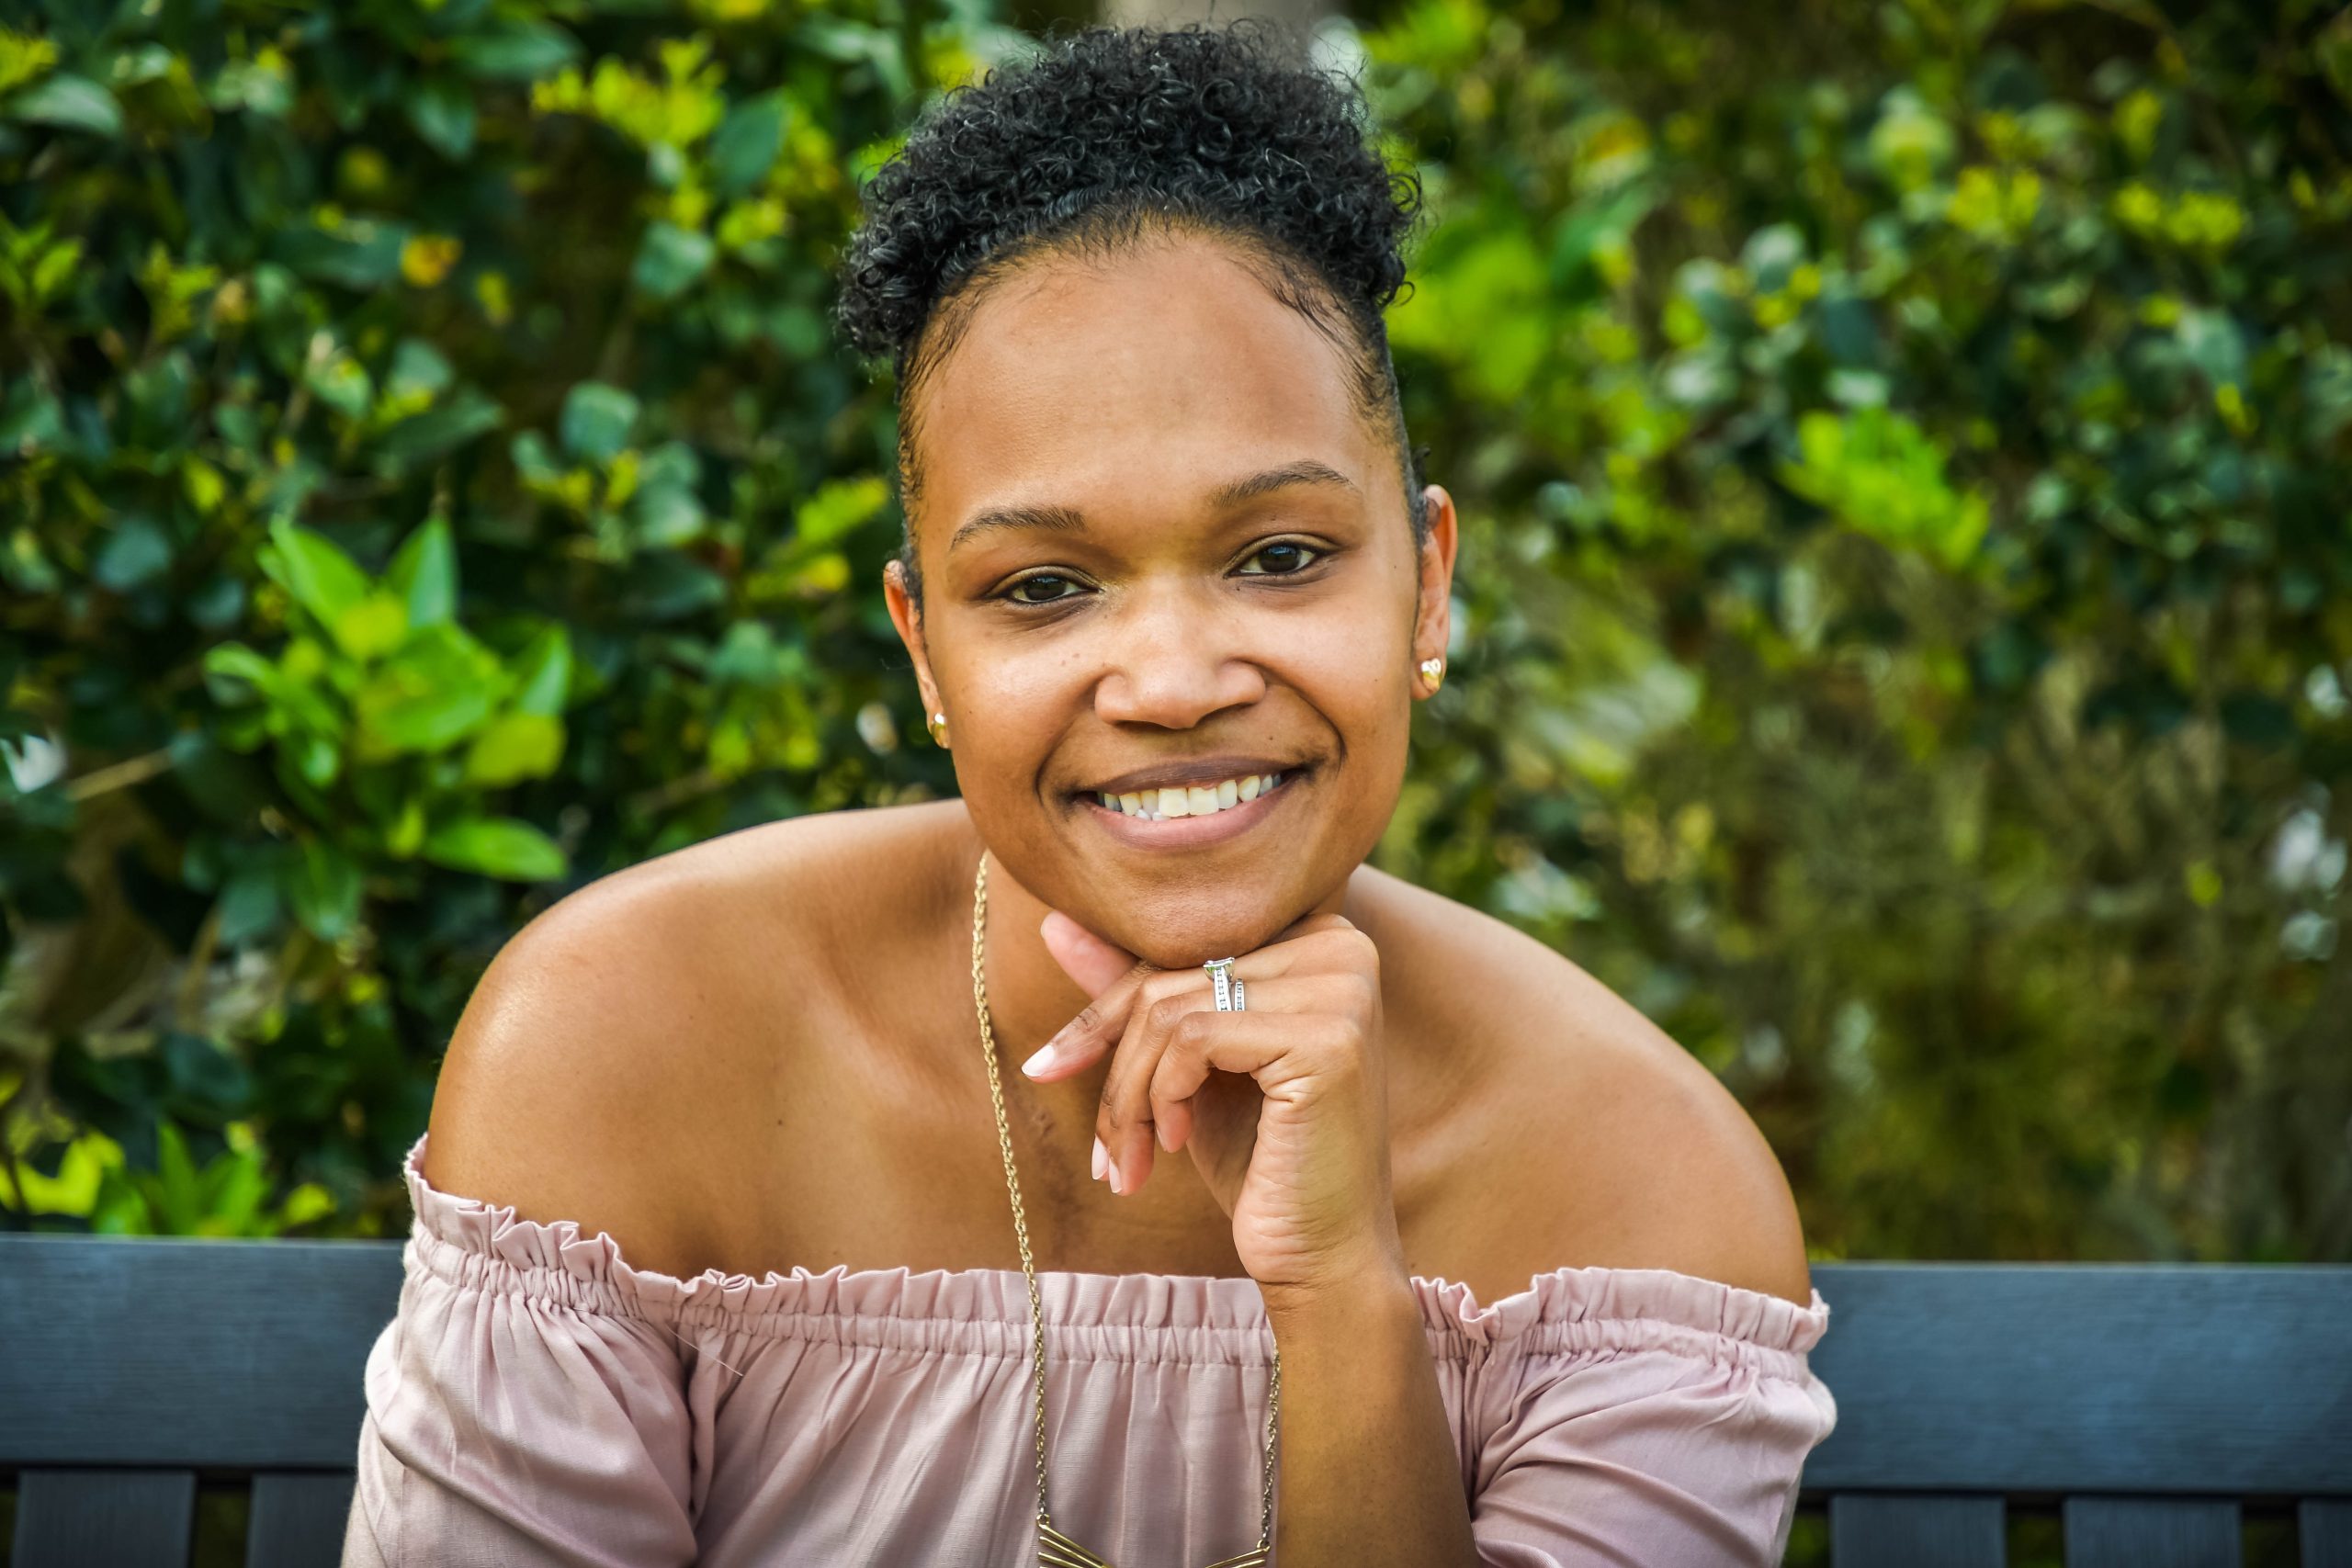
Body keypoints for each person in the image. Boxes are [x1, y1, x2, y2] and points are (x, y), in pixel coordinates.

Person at [342, 21, 1837, 1567]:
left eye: (1279, 556)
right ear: (925, 652)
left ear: (1429, 589)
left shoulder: (1638, 1185)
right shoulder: (627, 1040)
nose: (1175, 678)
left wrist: (1340, 1294)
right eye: (1045, 586)